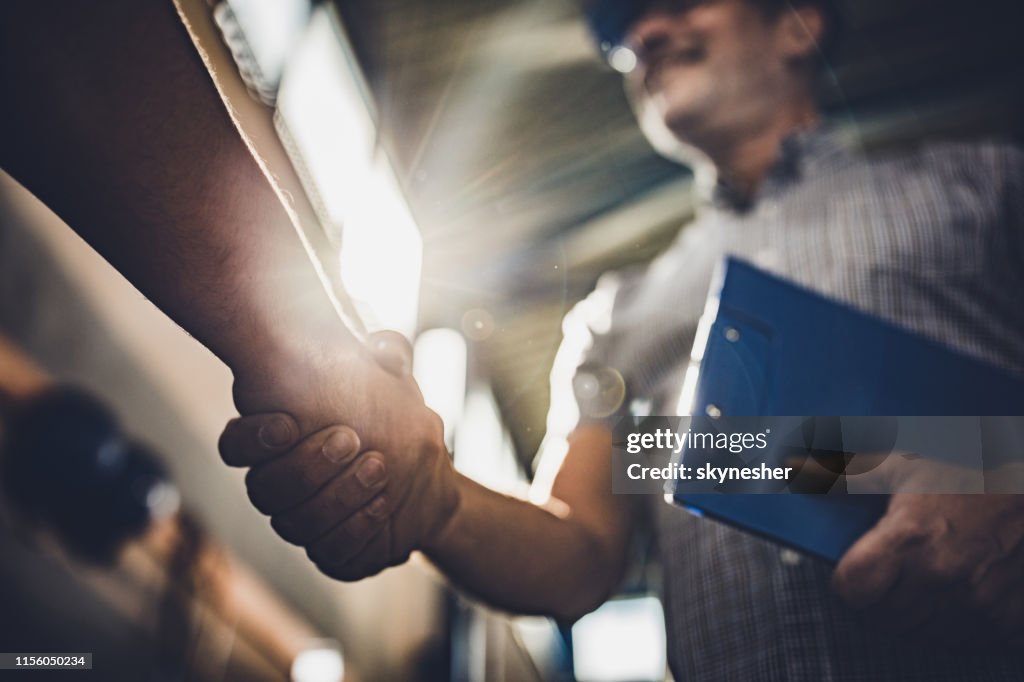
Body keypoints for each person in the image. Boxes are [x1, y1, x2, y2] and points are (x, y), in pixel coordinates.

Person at [220, 0, 1024, 679]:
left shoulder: (987, 190)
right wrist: (440, 502)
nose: (644, 32)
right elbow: (579, 552)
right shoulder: (618, 318)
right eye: (623, 32)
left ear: (798, 24)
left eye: (678, 1)